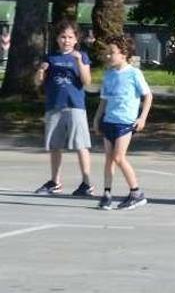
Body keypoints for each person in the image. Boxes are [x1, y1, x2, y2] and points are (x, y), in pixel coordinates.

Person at [34, 20, 94, 196]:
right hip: (54, 106)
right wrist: (40, 72)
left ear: (76, 39)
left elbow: (87, 81)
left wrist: (80, 63)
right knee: (55, 146)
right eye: (62, 37)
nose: (66, 40)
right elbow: (38, 82)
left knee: (81, 145)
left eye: (70, 37)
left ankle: (86, 182)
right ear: (57, 39)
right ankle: (55, 181)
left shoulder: (82, 56)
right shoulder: (50, 57)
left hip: (75, 106)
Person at [92, 35, 153, 210]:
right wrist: (97, 119)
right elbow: (104, 100)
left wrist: (142, 117)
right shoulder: (109, 74)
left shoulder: (134, 73)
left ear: (124, 54)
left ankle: (136, 193)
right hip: (109, 121)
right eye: (107, 53)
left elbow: (148, 96)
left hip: (125, 123)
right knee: (109, 160)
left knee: (119, 157)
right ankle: (107, 194)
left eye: (112, 53)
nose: (108, 56)